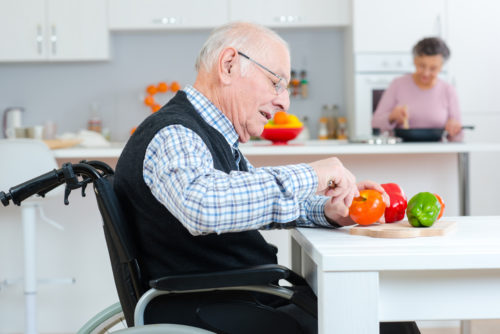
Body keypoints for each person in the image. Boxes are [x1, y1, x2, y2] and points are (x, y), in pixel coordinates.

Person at [114, 22, 420, 334]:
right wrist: (313, 174)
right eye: (276, 83)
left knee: (384, 317)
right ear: (229, 65)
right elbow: (204, 205)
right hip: (211, 309)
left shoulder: (210, 136)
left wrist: (328, 210)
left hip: (235, 300)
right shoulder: (174, 133)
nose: (285, 102)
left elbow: (249, 199)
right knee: (387, 325)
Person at [371, 37, 463, 141]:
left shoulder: (448, 90)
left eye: (433, 68)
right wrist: (392, 117)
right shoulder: (398, 84)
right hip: (401, 152)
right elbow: (375, 123)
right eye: (421, 66)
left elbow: (458, 137)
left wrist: (454, 129)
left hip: (437, 153)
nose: (426, 73)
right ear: (414, 61)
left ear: (442, 67)